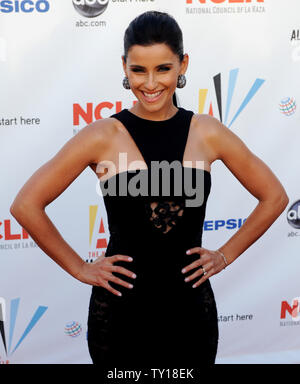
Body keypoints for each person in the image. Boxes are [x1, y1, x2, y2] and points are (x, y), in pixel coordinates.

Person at [10, 11, 289, 366]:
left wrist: (225, 254)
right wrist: (80, 268)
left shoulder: (207, 132)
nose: (151, 83)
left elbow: (275, 196)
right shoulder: (102, 136)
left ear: (182, 64)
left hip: (191, 313)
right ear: (124, 67)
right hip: (120, 316)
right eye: (139, 70)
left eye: (163, 68)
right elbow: (26, 205)